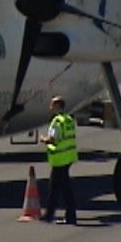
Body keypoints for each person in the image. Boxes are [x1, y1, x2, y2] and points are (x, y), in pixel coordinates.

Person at [40, 95, 78, 225]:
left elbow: (52, 139)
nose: (50, 107)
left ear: (57, 106)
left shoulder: (57, 121)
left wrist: (43, 139)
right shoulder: (68, 119)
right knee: (64, 187)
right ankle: (67, 215)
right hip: (69, 156)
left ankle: (49, 215)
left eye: (52, 104)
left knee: (55, 188)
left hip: (59, 158)